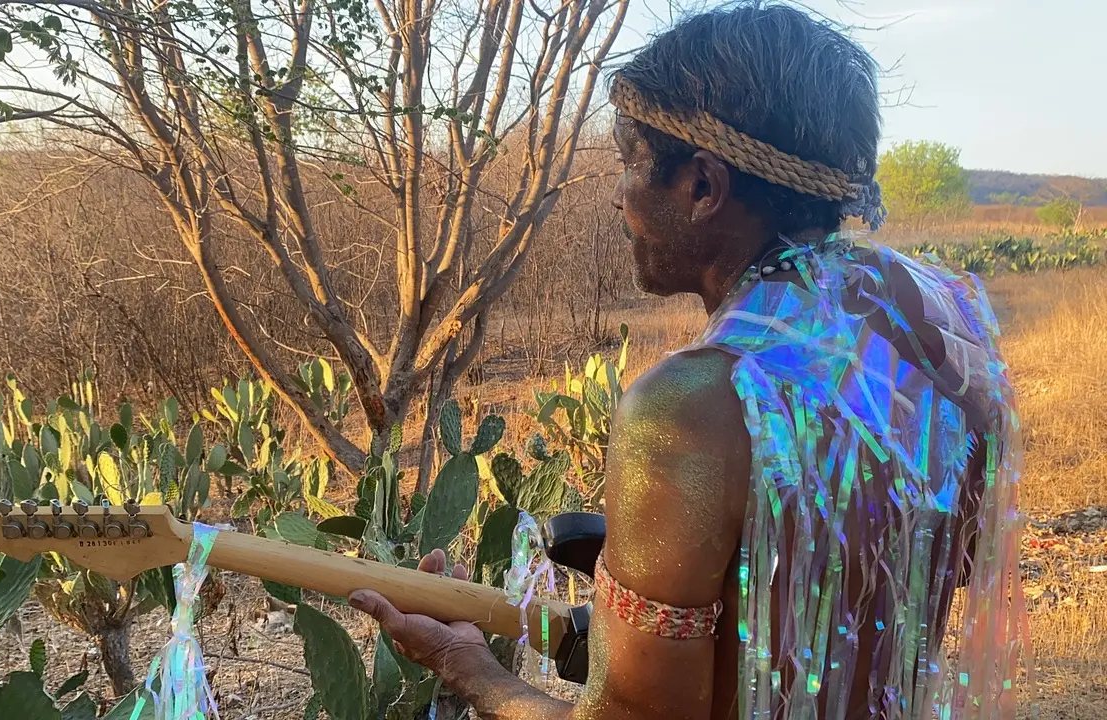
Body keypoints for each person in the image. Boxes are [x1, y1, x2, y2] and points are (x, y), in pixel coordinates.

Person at [349, 3, 1031, 718]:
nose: (618, 196)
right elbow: (919, 565)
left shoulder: (691, 406)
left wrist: (467, 665)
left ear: (703, 186)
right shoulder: (939, 320)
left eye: (629, 164)